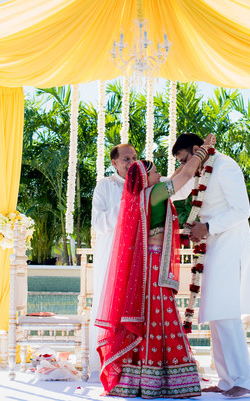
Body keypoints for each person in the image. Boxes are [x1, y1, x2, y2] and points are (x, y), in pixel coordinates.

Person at [95, 134, 215, 398]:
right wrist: (202, 152)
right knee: (160, 314)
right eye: (156, 171)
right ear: (145, 176)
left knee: (152, 317)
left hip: (150, 265)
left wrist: (192, 160)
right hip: (153, 267)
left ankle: (142, 377)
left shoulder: (144, 194)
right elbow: (183, 177)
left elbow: (177, 176)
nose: (161, 174)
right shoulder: (154, 193)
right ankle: (165, 377)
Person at [172, 133, 250, 398]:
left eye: (186, 159)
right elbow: (177, 190)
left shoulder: (225, 166)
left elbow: (241, 210)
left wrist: (208, 226)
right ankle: (226, 380)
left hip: (229, 244)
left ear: (198, 150)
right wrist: (147, 187)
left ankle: (245, 381)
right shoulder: (200, 169)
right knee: (215, 314)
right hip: (212, 247)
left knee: (227, 313)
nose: (187, 165)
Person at [89, 144, 138, 380]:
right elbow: (98, 223)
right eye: (126, 158)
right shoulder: (105, 185)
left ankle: (135, 364)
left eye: (134, 158)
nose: (131, 162)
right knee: (110, 305)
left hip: (139, 255)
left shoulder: (145, 181)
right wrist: (126, 202)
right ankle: (106, 361)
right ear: (114, 163)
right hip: (111, 254)